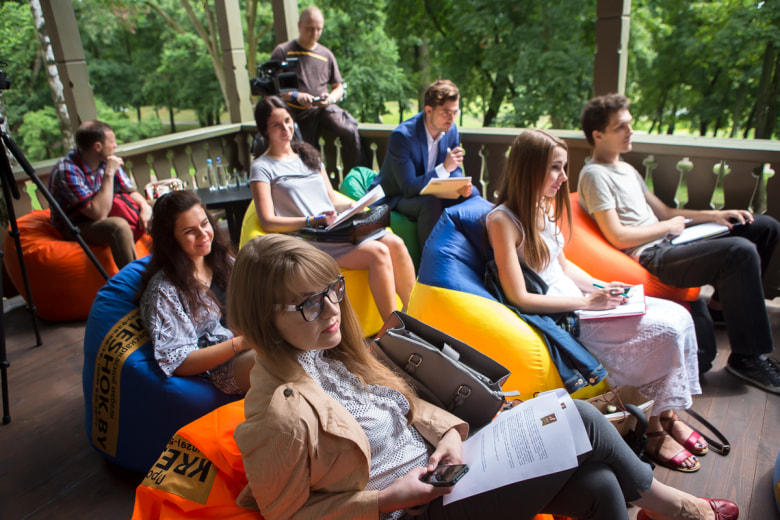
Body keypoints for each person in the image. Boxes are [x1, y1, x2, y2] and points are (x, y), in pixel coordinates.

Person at [228, 233, 738, 520]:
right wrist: (388, 499)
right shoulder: (277, 414)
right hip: (411, 512)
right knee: (580, 416)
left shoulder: (336, 351)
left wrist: (451, 435)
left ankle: (664, 507)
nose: (331, 309)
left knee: (600, 483)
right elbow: (286, 516)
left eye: (333, 290)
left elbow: (410, 406)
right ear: (264, 317)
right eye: (309, 303)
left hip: (447, 475)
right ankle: (679, 508)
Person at [487, 129, 706, 473]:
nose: (564, 177)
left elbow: (562, 265)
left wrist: (603, 286)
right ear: (529, 168)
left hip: (583, 301)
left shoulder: (543, 204)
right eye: (555, 168)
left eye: (563, 167)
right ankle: (653, 432)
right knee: (665, 332)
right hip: (567, 316)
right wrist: (587, 302)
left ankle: (667, 414)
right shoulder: (502, 220)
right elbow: (519, 297)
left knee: (678, 315)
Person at [578, 93, 780, 394]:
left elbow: (666, 212)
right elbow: (617, 235)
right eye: (621, 126)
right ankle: (747, 357)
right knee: (739, 251)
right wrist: (667, 228)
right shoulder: (594, 175)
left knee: (762, 227)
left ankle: (720, 308)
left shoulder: (626, 169)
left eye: (630, 124)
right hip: (653, 254)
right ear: (598, 135)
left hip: (672, 240)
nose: (630, 131)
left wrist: (716, 215)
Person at [250, 95, 415, 322]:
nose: (285, 128)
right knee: (379, 253)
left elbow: (330, 196)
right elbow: (267, 220)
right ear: (265, 130)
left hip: (337, 228)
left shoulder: (307, 155)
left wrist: (352, 205)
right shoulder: (262, 167)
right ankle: (394, 329)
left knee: (396, 243)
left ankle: (414, 315)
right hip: (311, 236)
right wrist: (312, 220)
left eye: (287, 120)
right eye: (276, 125)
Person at [136, 190, 253, 394]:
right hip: (221, 368)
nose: (203, 234)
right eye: (190, 231)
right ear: (170, 239)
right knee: (279, 360)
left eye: (205, 223)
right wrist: (242, 343)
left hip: (252, 342)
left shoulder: (224, 261)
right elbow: (179, 362)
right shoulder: (164, 290)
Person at [371, 79, 478, 251]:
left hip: (433, 189)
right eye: (446, 112)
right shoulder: (403, 136)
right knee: (430, 202)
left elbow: (455, 168)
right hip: (398, 195)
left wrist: (460, 184)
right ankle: (431, 262)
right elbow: (408, 187)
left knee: (473, 194)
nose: (451, 118)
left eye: (455, 112)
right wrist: (444, 169)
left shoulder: (451, 129)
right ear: (429, 110)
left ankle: (477, 254)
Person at [269, 6, 362, 174]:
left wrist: (330, 98)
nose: (315, 33)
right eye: (310, 28)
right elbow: (275, 89)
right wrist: (297, 96)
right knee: (302, 156)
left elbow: (338, 87)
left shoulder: (326, 55)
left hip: (322, 109)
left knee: (348, 130)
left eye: (319, 29)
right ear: (299, 26)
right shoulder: (283, 52)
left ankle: (357, 177)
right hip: (294, 113)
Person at [47, 120, 152, 269]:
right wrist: (109, 173)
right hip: (76, 224)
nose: (115, 145)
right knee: (118, 226)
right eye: (112, 141)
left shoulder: (105, 159)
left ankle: (170, 266)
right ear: (97, 146)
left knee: (163, 203)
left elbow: (129, 190)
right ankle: (135, 280)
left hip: (104, 210)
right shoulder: (67, 170)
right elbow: (98, 214)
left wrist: (145, 206)